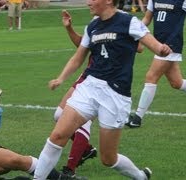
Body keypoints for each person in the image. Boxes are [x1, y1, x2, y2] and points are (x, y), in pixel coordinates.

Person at [33, 0, 172, 178]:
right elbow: (78, 57)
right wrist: (60, 78)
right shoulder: (92, 26)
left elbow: (153, 46)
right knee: (58, 135)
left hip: (115, 95)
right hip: (90, 87)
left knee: (108, 158)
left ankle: (140, 176)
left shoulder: (129, 22)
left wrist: (162, 50)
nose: (88, 2)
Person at [126, 0, 186, 128]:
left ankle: (137, 118)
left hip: (171, 45)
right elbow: (147, 18)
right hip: (157, 44)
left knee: (151, 77)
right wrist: (133, 34)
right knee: (177, 83)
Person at [54, 10, 97, 177]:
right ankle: (86, 150)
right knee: (59, 115)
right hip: (88, 74)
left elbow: (139, 47)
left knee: (83, 122)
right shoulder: (95, 21)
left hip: (105, 80)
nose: (90, 3)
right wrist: (69, 28)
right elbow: (82, 46)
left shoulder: (124, 20)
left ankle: (70, 170)